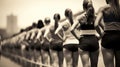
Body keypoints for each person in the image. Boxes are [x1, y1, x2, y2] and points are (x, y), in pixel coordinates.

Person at [71, 0, 103, 67]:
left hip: (83, 41)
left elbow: (71, 29)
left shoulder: (80, 17)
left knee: (86, 65)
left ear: (83, 7)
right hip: (94, 40)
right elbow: (104, 29)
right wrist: (99, 37)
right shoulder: (96, 17)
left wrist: (78, 38)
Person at [95, 0, 120, 67]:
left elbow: (96, 24)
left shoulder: (103, 9)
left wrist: (101, 33)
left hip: (108, 37)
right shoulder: (118, 8)